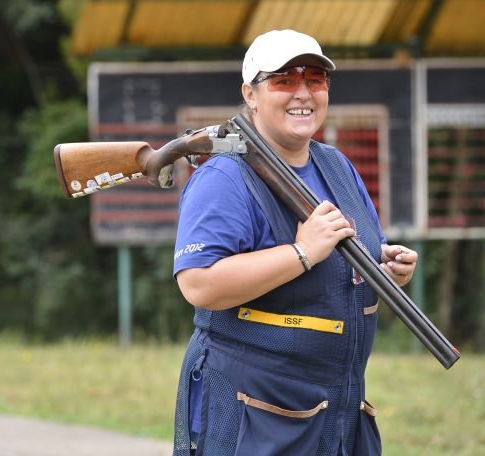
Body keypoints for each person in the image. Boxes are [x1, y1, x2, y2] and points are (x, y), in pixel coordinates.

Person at [171, 29, 418, 456]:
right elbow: (199, 284)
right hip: (252, 416)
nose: (303, 93)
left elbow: (348, 252)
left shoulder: (334, 165)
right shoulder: (223, 177)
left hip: (338, 410)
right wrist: (301, 253)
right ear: (250, 93)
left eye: (315, 80)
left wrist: (383, 264)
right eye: (284, 80)